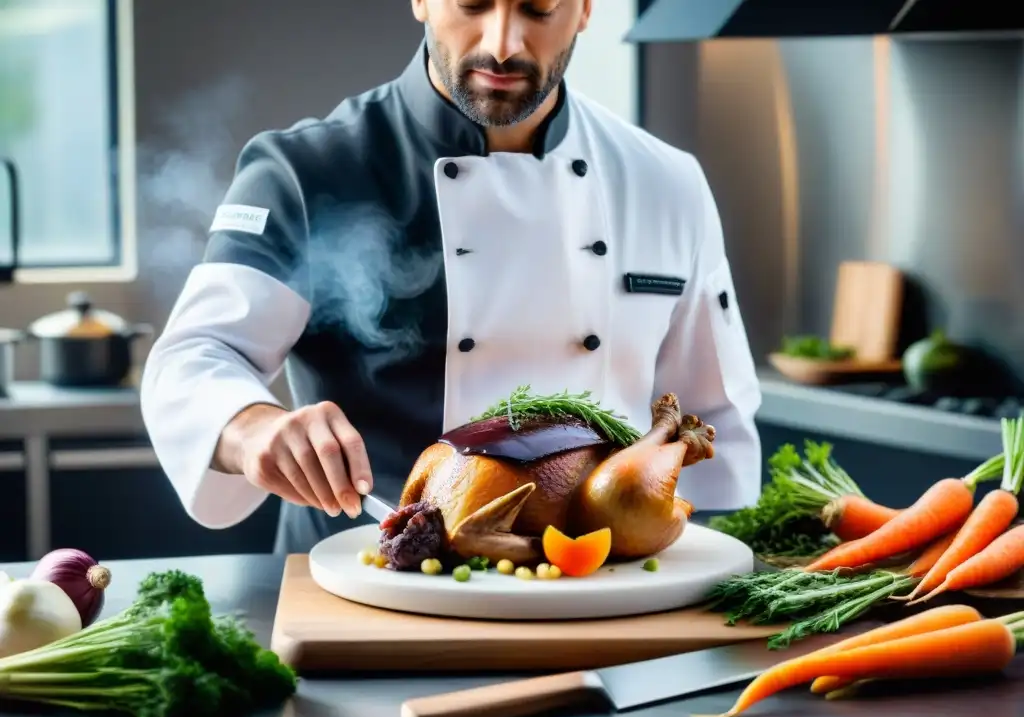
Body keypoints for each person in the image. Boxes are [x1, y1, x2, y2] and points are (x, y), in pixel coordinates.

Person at [140, 0, 763, 555]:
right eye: (472, 4)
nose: (502, 43)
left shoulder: (666, 182)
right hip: (365, 587)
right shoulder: (310, 170)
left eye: (538, 9)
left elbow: (709, 422)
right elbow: (197, 355)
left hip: (602, 596)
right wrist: (255, 428)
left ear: (586, 9)